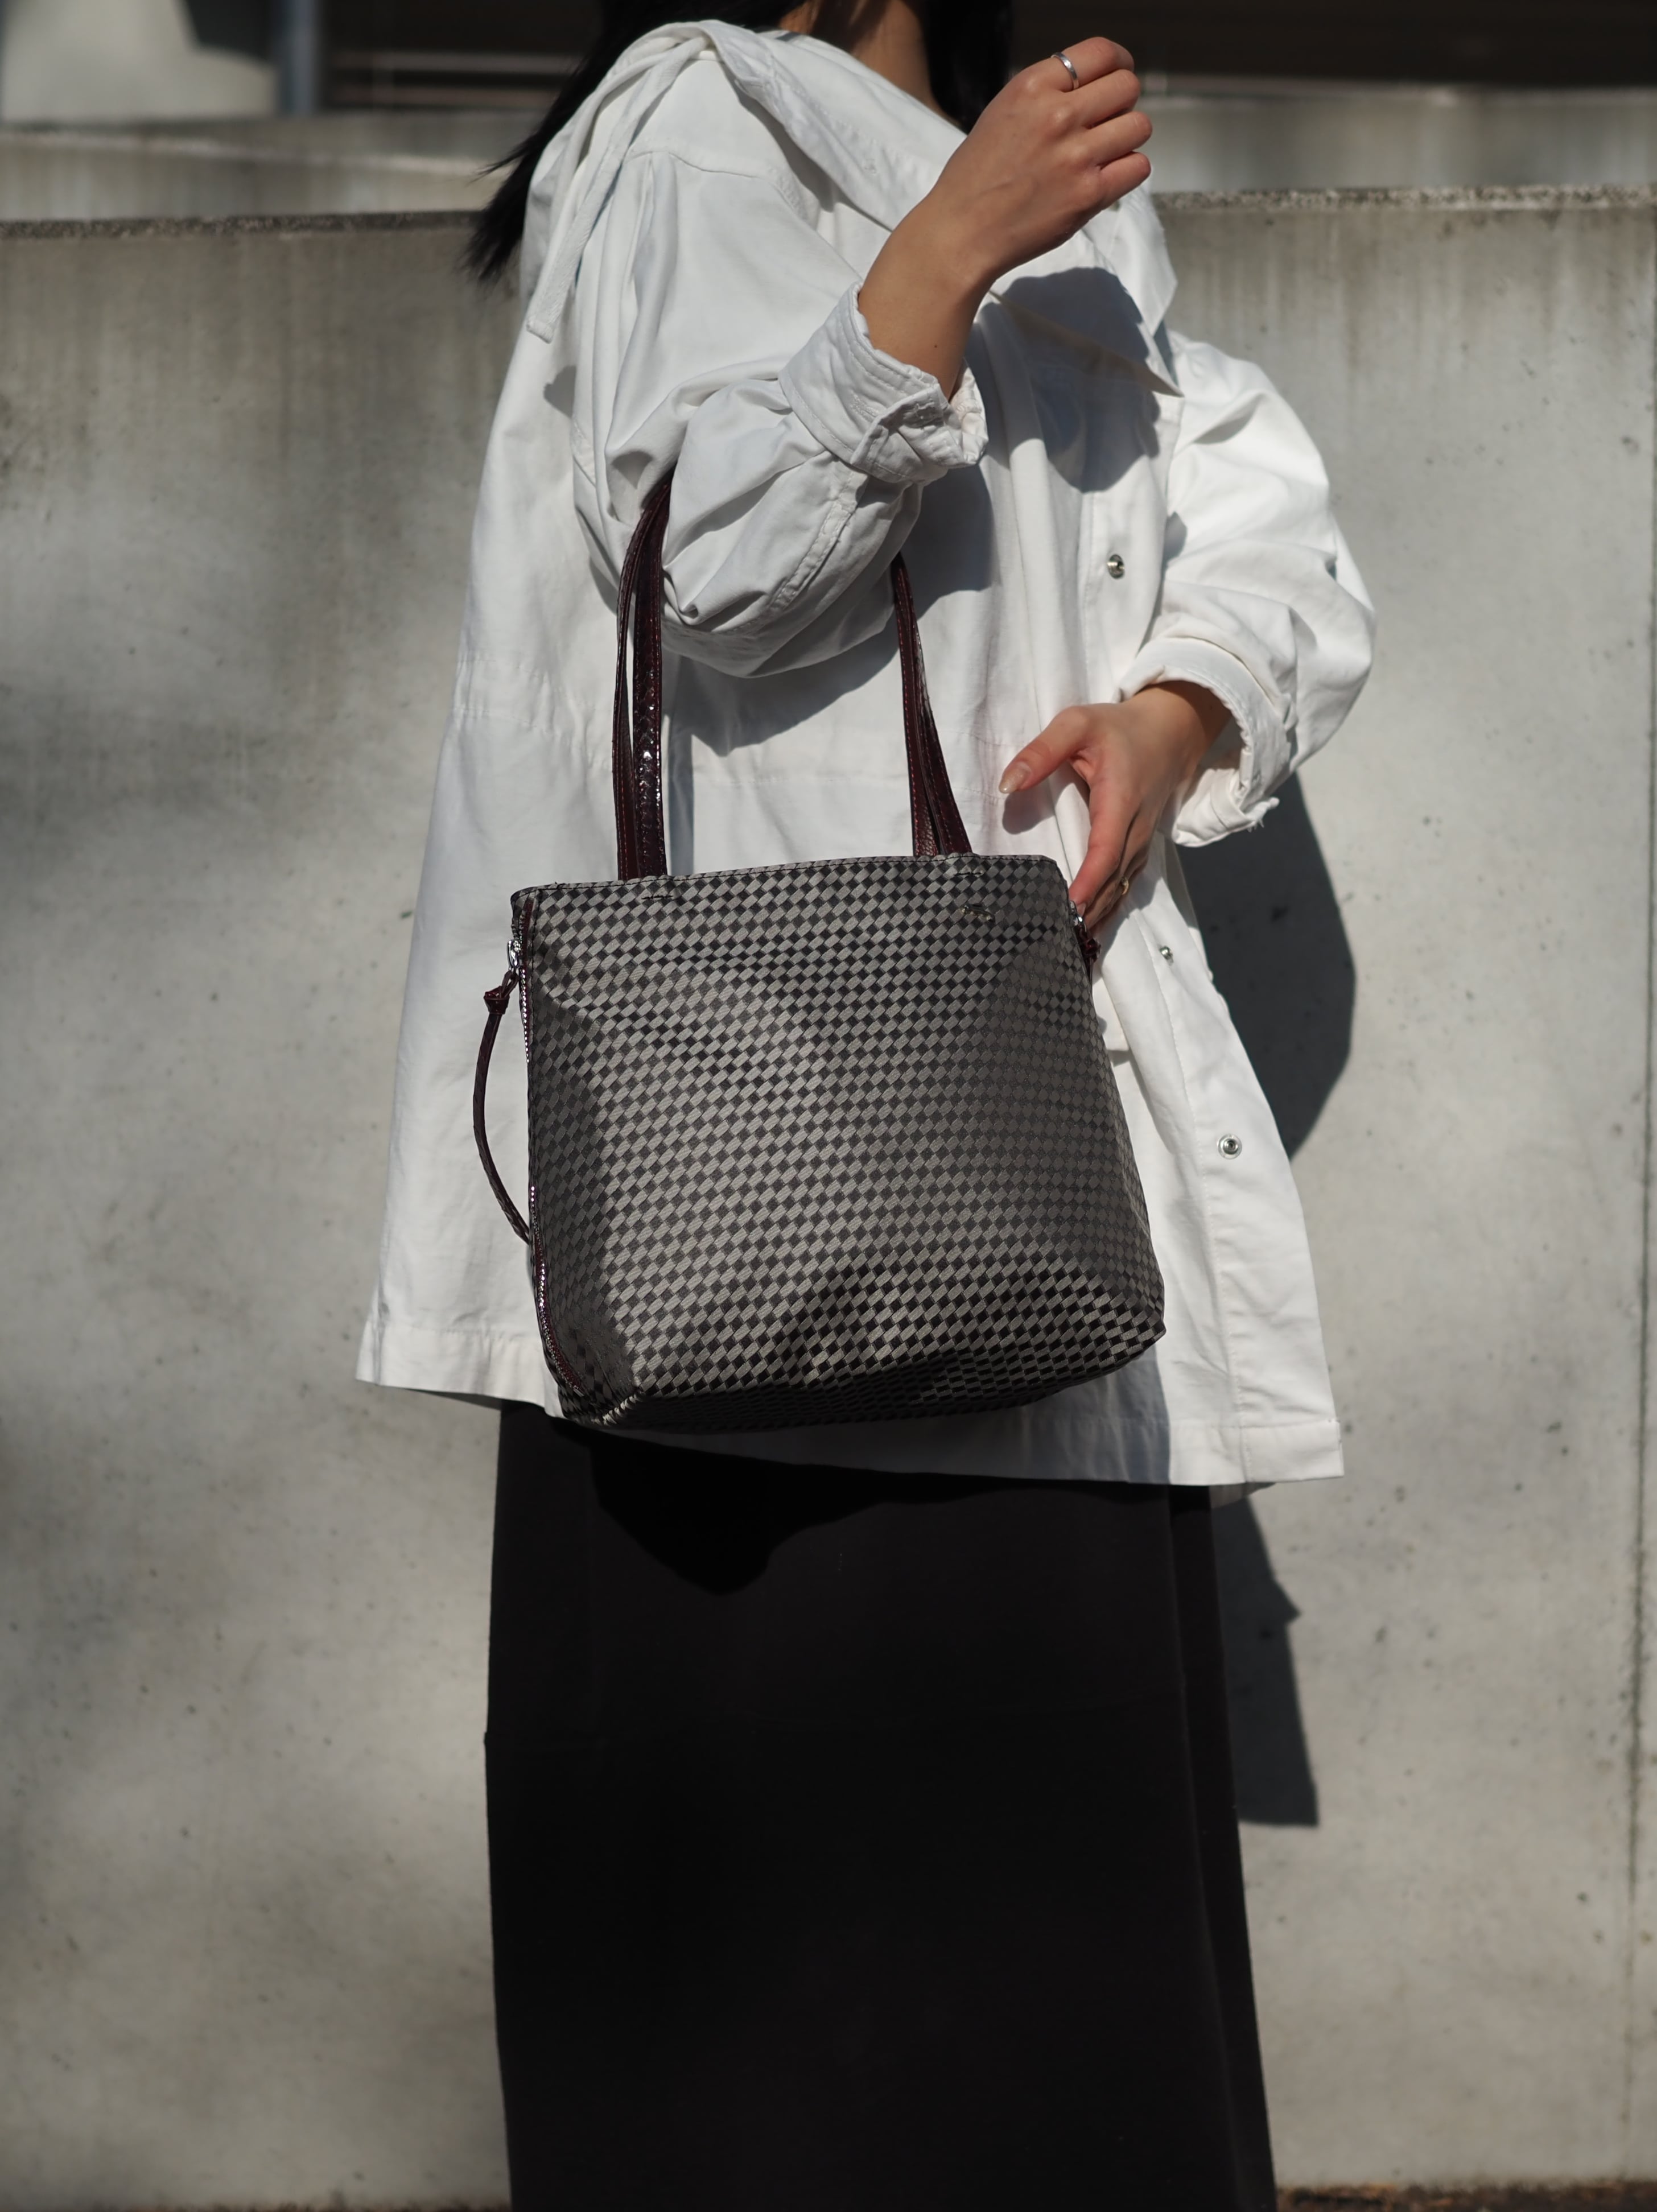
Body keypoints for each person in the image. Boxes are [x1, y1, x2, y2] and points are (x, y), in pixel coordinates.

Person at [358, 3, 1375, 2204]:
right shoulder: (694, 120)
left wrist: (1180, 710)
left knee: (1036, 2016)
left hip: (1019, 1197)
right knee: (801, 2039)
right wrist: (941, 252)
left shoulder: (1007, 154)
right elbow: (712, 571)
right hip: (762, 1215)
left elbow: (1258, 510)